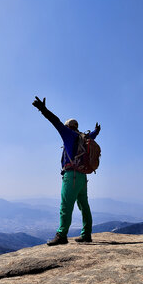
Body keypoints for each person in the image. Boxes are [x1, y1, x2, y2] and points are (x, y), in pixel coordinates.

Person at [32, 96, 101, 246]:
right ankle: (86, 234)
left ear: (68, 126)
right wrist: (96, 130)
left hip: (72, 176)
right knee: (84, 205)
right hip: (83, 177)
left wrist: (43, 110)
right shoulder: (83, 136)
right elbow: (93, 135)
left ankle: (61, 235)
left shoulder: (68, 134)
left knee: (65, 205)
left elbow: (55, 121)